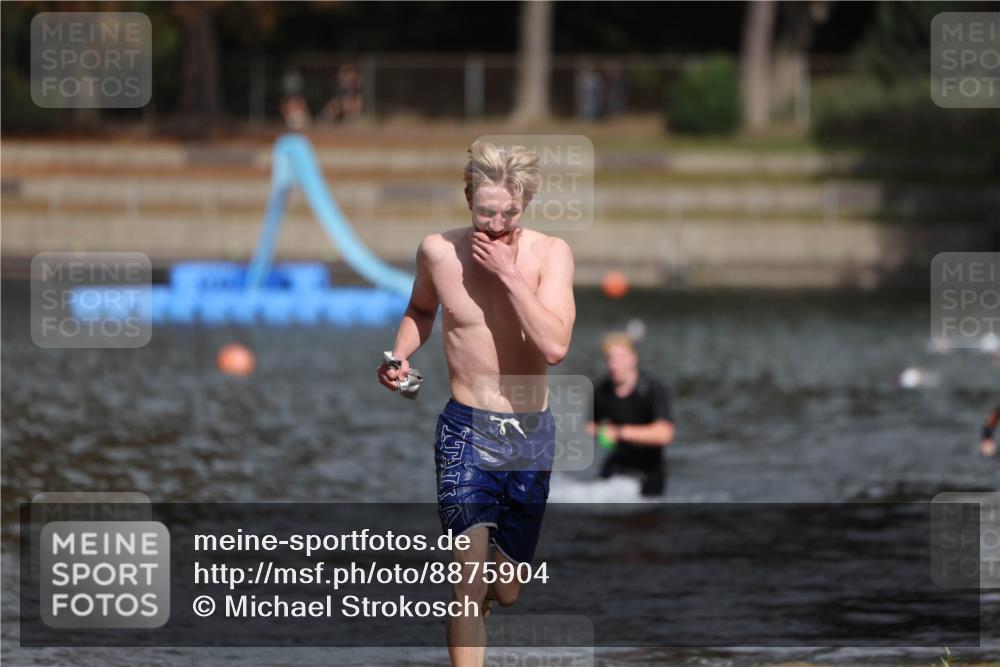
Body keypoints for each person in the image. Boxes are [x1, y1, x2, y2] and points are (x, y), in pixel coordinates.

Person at [377, 140, 575, 667]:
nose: (496, 224)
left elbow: (555, 347)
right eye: (485, 212)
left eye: (509, 212)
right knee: (465, 580)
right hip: (465, 428)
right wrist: (399, 354)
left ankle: (485, 611)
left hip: (530, 433)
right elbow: (420, 310)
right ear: (467, 198)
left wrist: (509, 274)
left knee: (505, 589)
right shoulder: (438, 252)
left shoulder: (551, 254)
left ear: (526, 203)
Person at [588, 332, 675, 496]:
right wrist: (600, 432)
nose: (614, 365)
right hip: (616, 464)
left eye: (619, 358)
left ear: (633, 358)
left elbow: (665, 434)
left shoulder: (652, 388)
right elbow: (589, 426)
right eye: (609, 359)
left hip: (649, 470)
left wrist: (619, 432)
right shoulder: (601, 390)